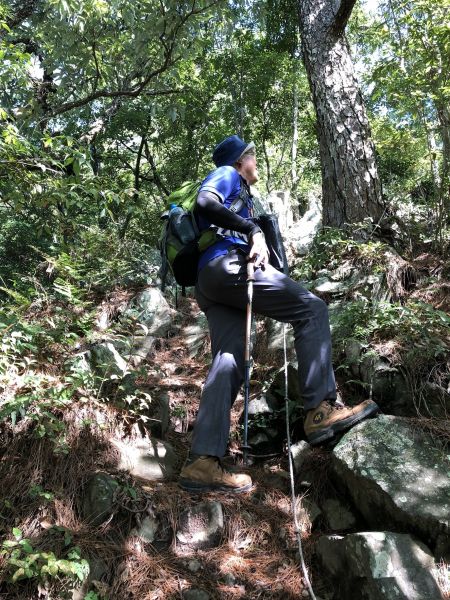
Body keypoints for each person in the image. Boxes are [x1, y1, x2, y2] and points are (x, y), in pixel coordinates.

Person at [178, 135, 378, 494]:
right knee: (312, 310)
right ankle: (319, 410)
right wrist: (252, 229)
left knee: (229, 359)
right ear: (241, 161)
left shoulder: (244, 194)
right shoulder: (227, 174)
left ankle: (202, 461)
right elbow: (206, 202)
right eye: (251, 156)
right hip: (229, 266)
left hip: (210, 281)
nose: (255, 162)